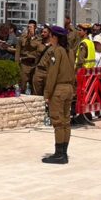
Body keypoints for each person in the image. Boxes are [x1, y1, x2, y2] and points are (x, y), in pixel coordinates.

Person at [42, 26, 76, 164]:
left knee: (58, 122)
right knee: (66, 122)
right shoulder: (70, 51)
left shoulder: (57, 51)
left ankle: (59, 154)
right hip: (69, 88)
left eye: (50, 36)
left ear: (55, 37)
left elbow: (52, 74)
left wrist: (47, 93)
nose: (49, 38)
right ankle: (64, 153)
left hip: (59, 89)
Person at [16, 20, 43, 94]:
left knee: (34, 83)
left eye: (31, 27)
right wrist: (16, 63)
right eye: (28, 27)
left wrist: (33, 36)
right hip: (25, 63)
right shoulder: (23, 38)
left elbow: (40, 50)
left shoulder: (39, 39)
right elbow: (18, 51)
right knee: (23, 82)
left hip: (34, 63)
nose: (29, 28)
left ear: (35, 27)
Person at [32, 25, 53, 98]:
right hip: (39, 70)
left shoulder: (54, 45)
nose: (42, 34)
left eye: (45, 32)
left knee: (47, 94)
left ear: (50, 33)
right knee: (36, 93)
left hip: (49, 71)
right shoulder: (38, 43)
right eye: (42, 32)